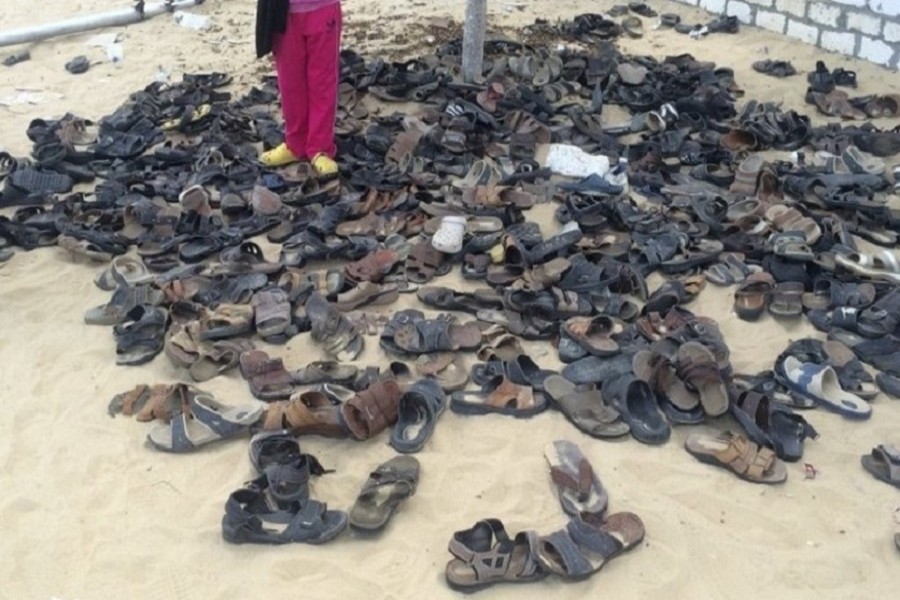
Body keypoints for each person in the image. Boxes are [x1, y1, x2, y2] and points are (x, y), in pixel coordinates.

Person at [260, 0, 342, 176]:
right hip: (283, 13)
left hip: (322, 9)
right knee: (290, 84)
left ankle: (320, 148)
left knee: (322, 83)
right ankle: (295, 144)